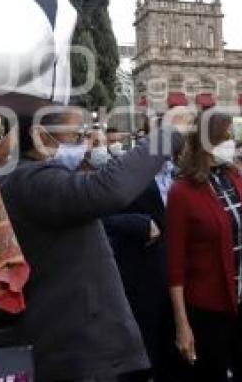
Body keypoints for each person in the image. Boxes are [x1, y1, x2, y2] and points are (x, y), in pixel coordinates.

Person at [0, 106, 187, 381]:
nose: (85, 143)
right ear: (39, 137)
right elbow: (109, 190)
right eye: (75, 135)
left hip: (74, 345)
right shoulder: (30, 180)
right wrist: (169, 134)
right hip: (71, 352)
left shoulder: (31, 178)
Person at [166, 111, 242, 382]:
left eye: (233, 137)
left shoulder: (236, 179)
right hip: (208, 308)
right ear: (207, 141)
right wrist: (182, 323)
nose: (233, 143)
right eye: (226, 137)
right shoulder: (182, 191)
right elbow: (175, 265)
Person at [103, 153, 179, 382]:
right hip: (141, 271)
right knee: (144, 343)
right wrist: (135, 224)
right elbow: (97, 215)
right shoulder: (126, 174)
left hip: (177, 270)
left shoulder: (187, 174)